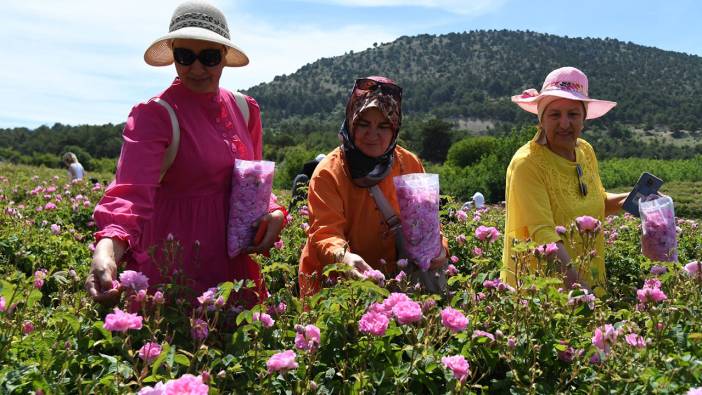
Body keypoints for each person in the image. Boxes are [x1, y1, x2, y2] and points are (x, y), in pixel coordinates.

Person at [85, 1, 286, 307]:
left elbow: (253, 183)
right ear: (174, 56)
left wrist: (272, 210)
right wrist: (107, 248)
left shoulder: (246, 109)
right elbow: (130, 193)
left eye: (208, 57)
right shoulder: (155, 115)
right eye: (185, 56)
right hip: (177, 261)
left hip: (235, 259)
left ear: (223, 58)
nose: (196, 68)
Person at [298, 76, 448, 297]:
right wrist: (343, 257)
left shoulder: (408, 164)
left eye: (383, 126)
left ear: (395, 128)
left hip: (397, 284)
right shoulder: (328, 173)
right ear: (351, 122)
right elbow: (325, 233)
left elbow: (427, 224)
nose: (373, 134)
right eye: (363, 124)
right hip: (336, 288)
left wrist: (440, 249)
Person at [501, 67, 628, 294]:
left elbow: (596, 202)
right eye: (555, 114)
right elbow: (543, 235)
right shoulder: (527, 164)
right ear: (541, 119)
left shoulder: (585, 151)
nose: (564, 124)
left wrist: (631, 199)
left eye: (573, 114)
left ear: (584, 118)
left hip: (589, 280)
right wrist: (582, 293)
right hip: (544, 295)